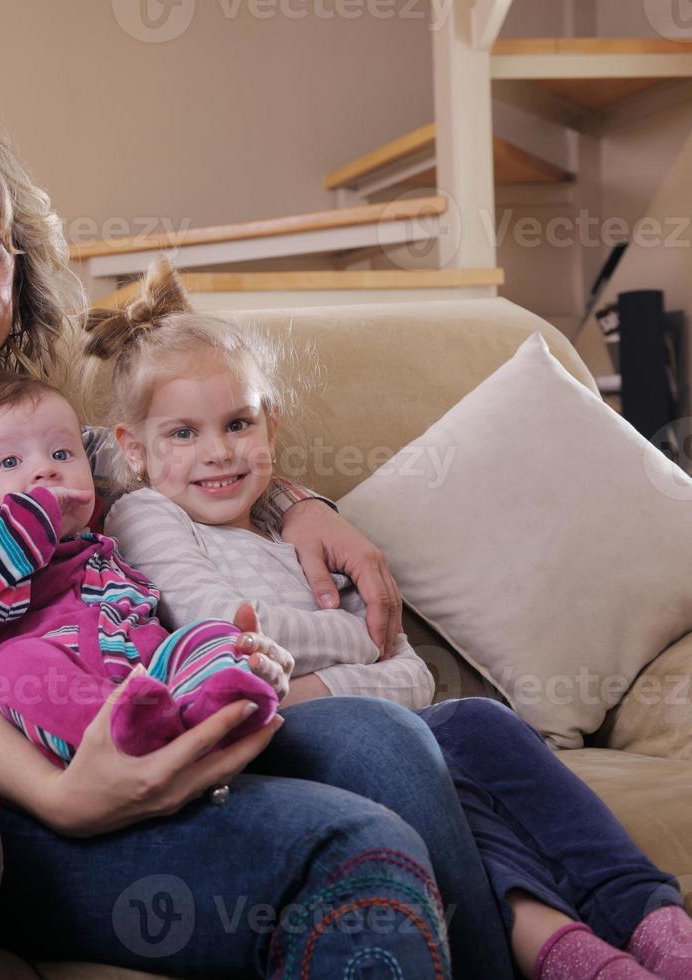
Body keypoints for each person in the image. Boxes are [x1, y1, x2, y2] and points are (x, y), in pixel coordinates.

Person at [0, 113, 517, 977]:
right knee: (353, 849)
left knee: (385, 739)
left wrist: (304, 506)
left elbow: (194, 469)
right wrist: (68, 797)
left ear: (19, 274)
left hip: (140, 727)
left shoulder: (55, 441)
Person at [100, 259, 692, 980]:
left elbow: (411, 672)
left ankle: (651, 927)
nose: (218, 451)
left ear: (271, 421)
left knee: (478, 726)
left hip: (334, 714)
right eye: (183, 434)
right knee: (414, 756)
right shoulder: (148, 513)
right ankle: (576, 955)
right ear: (133, 448)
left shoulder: (300, 535)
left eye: (238, 423)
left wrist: (314, 686)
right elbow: (221, 624)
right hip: (267, 747)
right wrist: (358, 647)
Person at [0, 370, 279, 765]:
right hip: (53, 701)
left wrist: (224, 649)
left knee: (212, 633)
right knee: (19, 667)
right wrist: (38, 510)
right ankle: (127, 737)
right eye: (10, 461)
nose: (46, 470)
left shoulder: (106, 549)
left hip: (147, 683)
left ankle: (219, 707)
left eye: (61, 455)